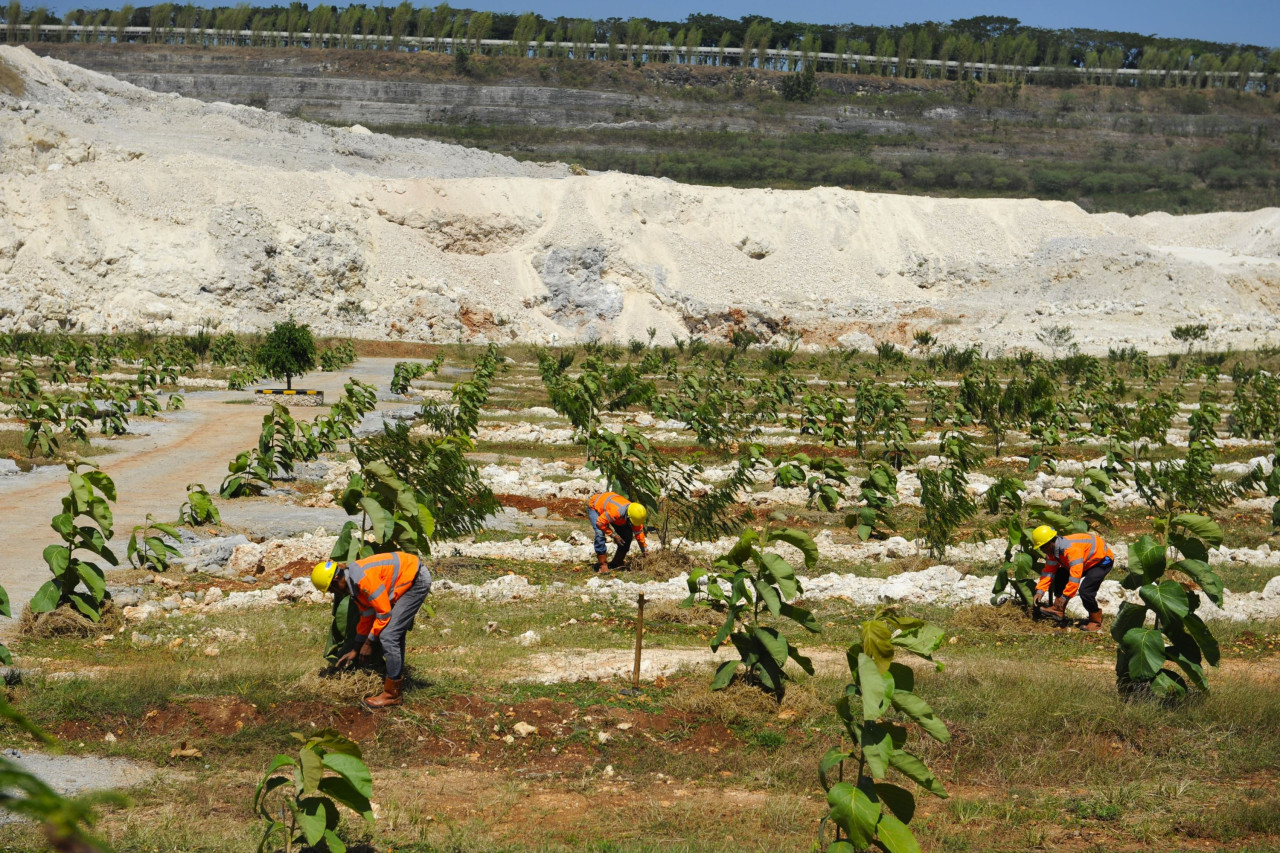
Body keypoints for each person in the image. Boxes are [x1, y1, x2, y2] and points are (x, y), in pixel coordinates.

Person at [311, 551, 431, 708]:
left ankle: (392, 695)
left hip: (416, 580)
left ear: (336, 579)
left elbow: (383, 612)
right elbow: (367, 616)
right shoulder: (353, 582)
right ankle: (396, 681)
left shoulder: (362, 580)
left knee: (389, 635)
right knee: (394, 634)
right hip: (410, 576)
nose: (336, 594)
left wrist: (369, 642)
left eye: (332, 590)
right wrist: (356, 649)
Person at [1030, 525, 1114, 631]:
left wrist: (1065, 597)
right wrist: (1040, 590)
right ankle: (1058, 609)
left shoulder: (1071, 549)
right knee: (1061, 574)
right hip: (1086, 560)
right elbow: (1048, 571)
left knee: (1086, 591)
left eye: (1042, 547)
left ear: (1050, 543)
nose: (1042, 550)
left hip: (1101, 561)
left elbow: (1075, 577)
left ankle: (1095, 621)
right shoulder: (1052, 552)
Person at [587, 491, 649, 572]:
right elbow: (600, 523)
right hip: (596, 506)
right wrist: (613, 535)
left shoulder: (635, 514)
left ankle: (617, 562)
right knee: (600, 533)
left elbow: (639, 534)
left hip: (611, 510)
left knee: (627, 535)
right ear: (628, 516)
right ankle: (602, 564)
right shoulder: (616, 512)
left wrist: (644, 551)